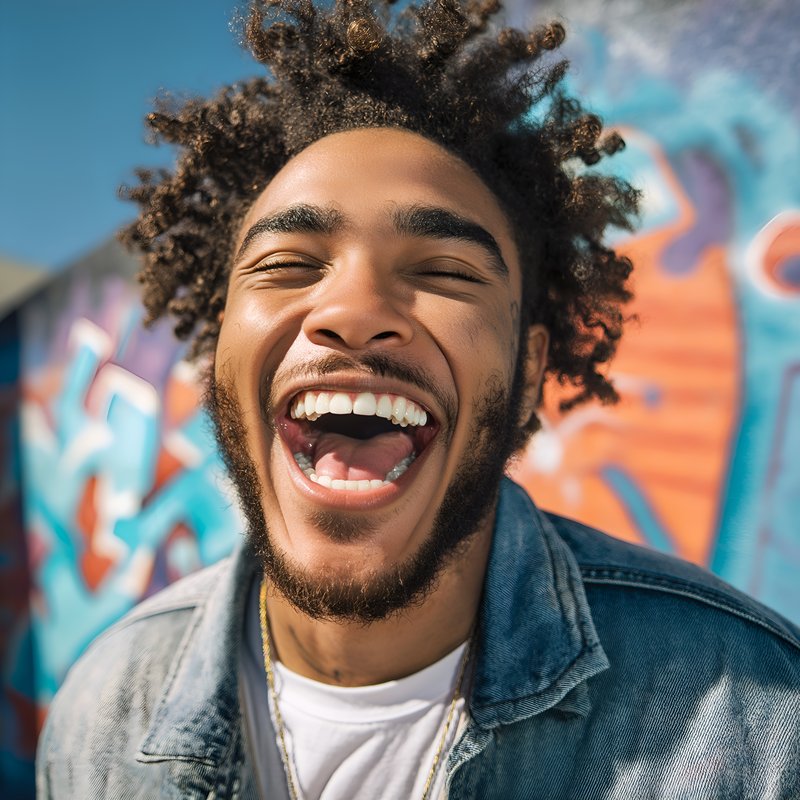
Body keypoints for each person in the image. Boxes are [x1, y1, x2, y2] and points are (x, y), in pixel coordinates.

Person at [36, 0, 800, 798]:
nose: (353, 312)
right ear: (221, 344)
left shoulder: (754, 718)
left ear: (529, 368)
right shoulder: (101, 717)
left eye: (445, 271)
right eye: (288, 264)